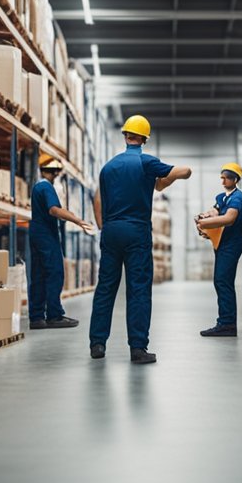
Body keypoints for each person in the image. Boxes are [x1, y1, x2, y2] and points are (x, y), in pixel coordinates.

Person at [89, 115, 191, 364]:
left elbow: (97, 200)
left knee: (105, 288)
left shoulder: (108, 167)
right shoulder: (147, 162)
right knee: (138, 289)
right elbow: (185, 171)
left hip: (111, 231)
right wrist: (169, 177)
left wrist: (105, 227)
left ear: (125, 136)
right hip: (136, 232)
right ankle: (137, 348)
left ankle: (97, 344)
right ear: (145, 138)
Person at [29, 152, 94, 330]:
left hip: (36, 232)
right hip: (46, 235)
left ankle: (36, 317)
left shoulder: (37, 187)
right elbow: (54, 210)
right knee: (55, 272)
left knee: (38, 274)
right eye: (56, 172)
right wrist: (77, 220)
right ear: (53, 171)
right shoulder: (46, 187)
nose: (58, 176)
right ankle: (54, 316)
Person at [194, 163, 242, 337]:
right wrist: (204, 216)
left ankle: (227, 324)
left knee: (223, 281)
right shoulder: (223, 197)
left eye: (227, 177)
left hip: (232, 243)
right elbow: (215, 210)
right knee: (220, 281)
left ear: (235, 179)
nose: (223, 180)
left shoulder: (238, 198)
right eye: (222, 177)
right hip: (223, 243)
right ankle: (225, 322)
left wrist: (203, 223)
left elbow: (229, 218)